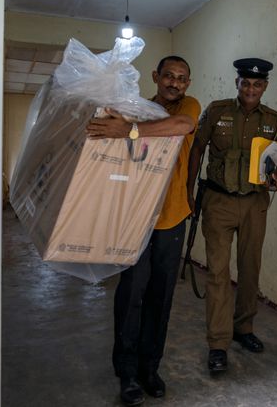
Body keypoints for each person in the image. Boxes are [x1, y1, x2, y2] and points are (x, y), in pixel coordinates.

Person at [86, 55, 201, 407]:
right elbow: (113, 140)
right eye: (168, 76)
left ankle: (151, 369)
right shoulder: (139, 108)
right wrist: (116, 123)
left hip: (172, 217)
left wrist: (130, 130)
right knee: (131, 294)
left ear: (187, 83)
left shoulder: (190, 107)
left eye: (182, 78)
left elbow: (180, 126)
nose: (174, 83)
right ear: (156, 76)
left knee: (161, 296)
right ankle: (127, 373)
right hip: (136, 216)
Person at [187, 58, 277, 374]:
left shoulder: (273, 119)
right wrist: (188, 194)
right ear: (237, 83)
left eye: (257, 84)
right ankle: (218, 343)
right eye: (245, 83)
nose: (250, 89)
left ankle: (243, 329)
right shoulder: (217, 111)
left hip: (255, 203)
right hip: (218, 201)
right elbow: (196, 150)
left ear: (265, 87)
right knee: (218, 272)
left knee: (250, 269)